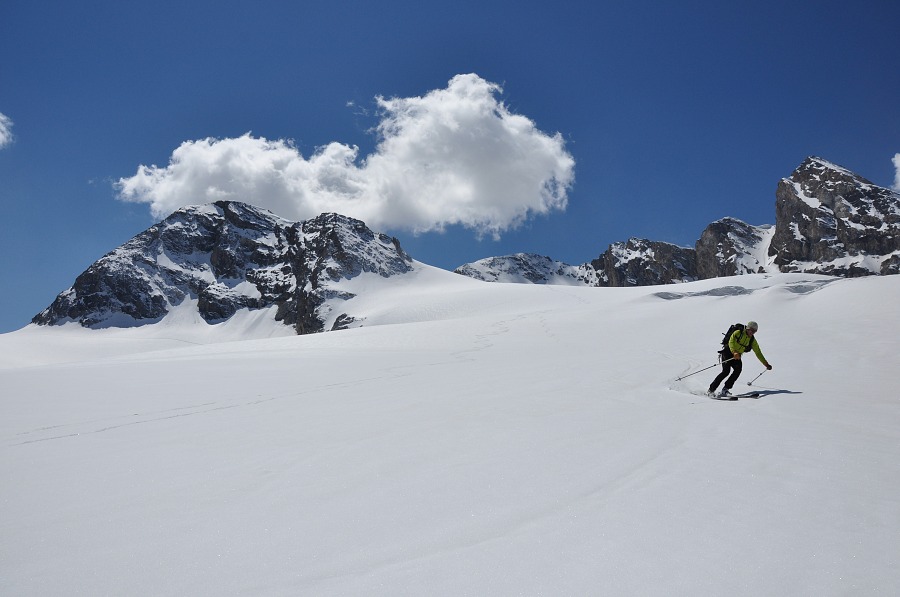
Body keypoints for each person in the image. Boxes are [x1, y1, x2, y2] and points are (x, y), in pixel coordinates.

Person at [708, 321, 772, 397]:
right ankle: (711, 390)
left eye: (754, 331)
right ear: (747, 328)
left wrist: (766, 364)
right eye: (751, 329)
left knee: (738, 370)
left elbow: (758, 352)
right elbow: (731, 342)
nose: (752, 332)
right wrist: (734, 352)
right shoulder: (738, 332)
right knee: (726, 372)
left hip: (737, 356)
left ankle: (725, 389)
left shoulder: (752, 340)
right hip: (727, 352)